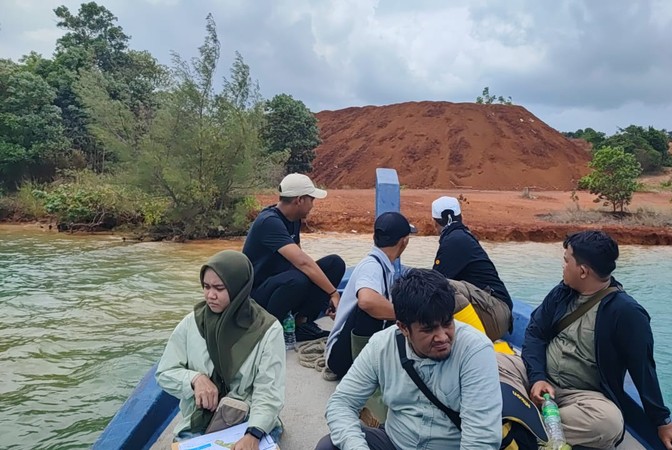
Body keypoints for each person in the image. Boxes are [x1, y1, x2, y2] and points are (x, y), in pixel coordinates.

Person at [521, 231, 672, 450]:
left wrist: (662, 422)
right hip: (538, 377)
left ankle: (520, 422)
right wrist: (538, 377)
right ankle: (535, 425)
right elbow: (535, 333)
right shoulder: (562, 292)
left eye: (566, 260)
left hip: (582, 397)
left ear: (582, 271)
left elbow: (643, 367)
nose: (563, 266)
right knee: (493, 362)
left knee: (608, 423)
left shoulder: (627, 313)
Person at [316, 269, 502, 450]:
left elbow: (480, 439)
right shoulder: (381, 345)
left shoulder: (475, 350)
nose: (442, 337)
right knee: (329, 446)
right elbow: (341, 403)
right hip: (396, 442)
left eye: (447, 323)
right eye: (428, 329)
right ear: (403, 328)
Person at [156, 250, 285, 450]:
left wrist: (253, 433)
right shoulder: (192, 323)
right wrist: (194, 379)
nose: (210, 295)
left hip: (249, 421)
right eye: (206, 287)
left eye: (219, 288)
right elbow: (165, 372)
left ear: (238, 288)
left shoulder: (267, 330)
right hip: (200, 422)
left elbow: (268, 390)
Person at [242, 173, 345, 341]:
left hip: (281, 283)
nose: (313, 205)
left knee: (334, 264)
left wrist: (323, 300)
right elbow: (302, 263)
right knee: (297, 279)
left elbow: (300, 258)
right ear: (299, 200)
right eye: (311, 199)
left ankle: (301, 323)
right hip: (257, 294)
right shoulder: (269, 221)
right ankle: (270, 329)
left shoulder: (294, 219)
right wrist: (334, 293)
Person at [325, 211, 416, 379]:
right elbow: (366, 302)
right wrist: (411, 317)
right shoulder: (372, 266)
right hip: (340, 358)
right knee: (374, 308)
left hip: (344, 351)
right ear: (404, 242)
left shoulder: (382, 265)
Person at [431, 196, 512, 341]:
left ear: (435, 222)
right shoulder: (461, 237)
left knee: (439, 286)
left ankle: (476, 344)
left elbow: (432, 283)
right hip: (495, 313)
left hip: (495, 315)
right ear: (460, 216)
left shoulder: (454, 241)